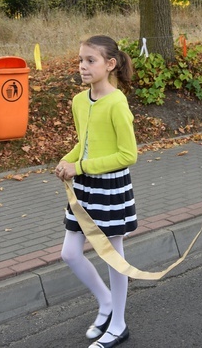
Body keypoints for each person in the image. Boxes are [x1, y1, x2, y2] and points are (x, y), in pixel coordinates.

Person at [55, 35, 137, 348]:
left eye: (91, 60)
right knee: (70, 253)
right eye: (80, 60)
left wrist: (82, 166)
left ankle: (118, 324)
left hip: (111, 186)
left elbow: (128, 154)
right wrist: (69, 159)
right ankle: (106, 302)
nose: (83, 66)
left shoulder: (117, 102)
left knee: (113, 256)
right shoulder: (79, 101)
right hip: (85, 187)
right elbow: (85, 142)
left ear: (110, 64)